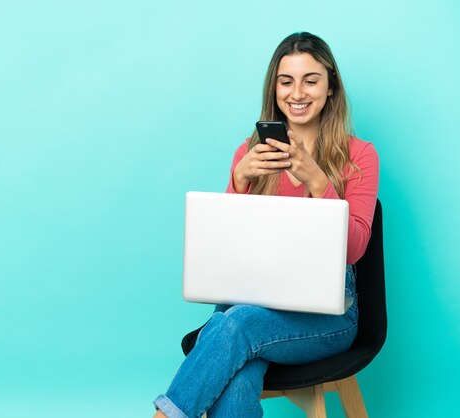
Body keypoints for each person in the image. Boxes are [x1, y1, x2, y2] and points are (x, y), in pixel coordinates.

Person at [153, 31, 379, 418]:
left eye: (311, 80)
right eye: (286, 81)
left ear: (330, 87)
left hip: (329, 315)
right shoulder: (250, 152)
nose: (298, 93)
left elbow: (356, 249)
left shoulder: (359, 156)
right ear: (274, 88)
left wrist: (319, 182)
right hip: (251, 300)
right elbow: (224, 251)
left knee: (234, 324)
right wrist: (238, 182)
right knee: (238, 368)